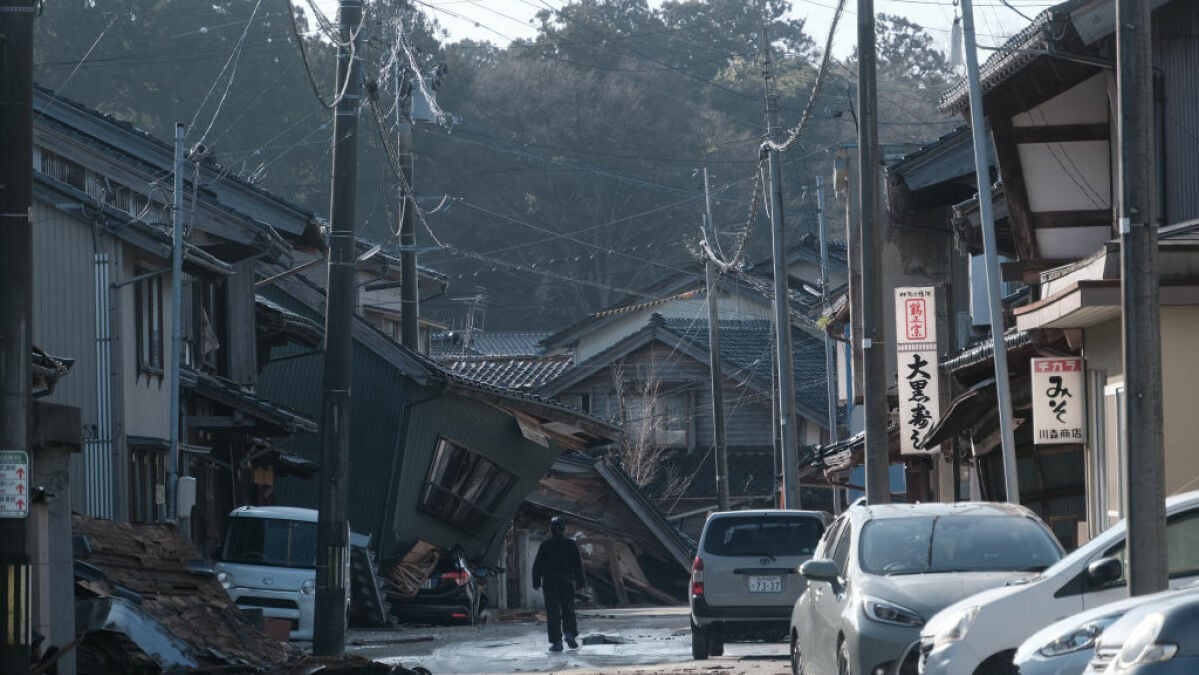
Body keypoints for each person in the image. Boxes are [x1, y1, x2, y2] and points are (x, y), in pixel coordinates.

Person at [531, 515, 586, 652]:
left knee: (553, 612)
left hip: (550, 582)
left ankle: (557, 642)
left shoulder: (545, 545)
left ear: (551, 529)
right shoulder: (570, 544)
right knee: (568, 609)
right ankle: (570, 633)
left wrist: (536, 581)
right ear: (564, 528)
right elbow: (578, 566)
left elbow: (538, 565)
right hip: (566, 582)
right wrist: (580, 583)